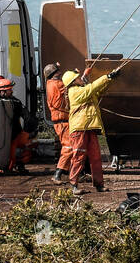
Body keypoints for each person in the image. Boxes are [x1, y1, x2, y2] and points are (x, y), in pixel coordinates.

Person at [64, 67, 119, 195]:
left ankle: (99, 184)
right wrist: (107, 76)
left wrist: (110, 79)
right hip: (79, 129)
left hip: (89, 128)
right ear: (73, 82)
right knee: (78, 157)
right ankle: (73, 185)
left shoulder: (82, 90)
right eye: (77, 78)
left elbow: (98, 90)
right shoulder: (74, 92)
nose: (80, 78)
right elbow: (92, 88)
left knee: (95, 157)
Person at [0, 77, 37, 174]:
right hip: (13, 137)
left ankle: (10, 166)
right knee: (31, 143)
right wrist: (26, 132)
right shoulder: (15, 102)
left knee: (9, 159)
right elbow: (28, 118)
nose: (12, 91)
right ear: (3, 91)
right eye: (10, 90)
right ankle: (18, 165)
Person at [44, 63, 74, 184]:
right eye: (58, 71)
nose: (60, 73)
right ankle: (57, 174)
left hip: (63, 121)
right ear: (53, 74)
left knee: (75, 147)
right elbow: (59, 103)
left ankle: (76, 172)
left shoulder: (51, 84)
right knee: (68, 146)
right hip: (62, 122)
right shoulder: (56, 85)